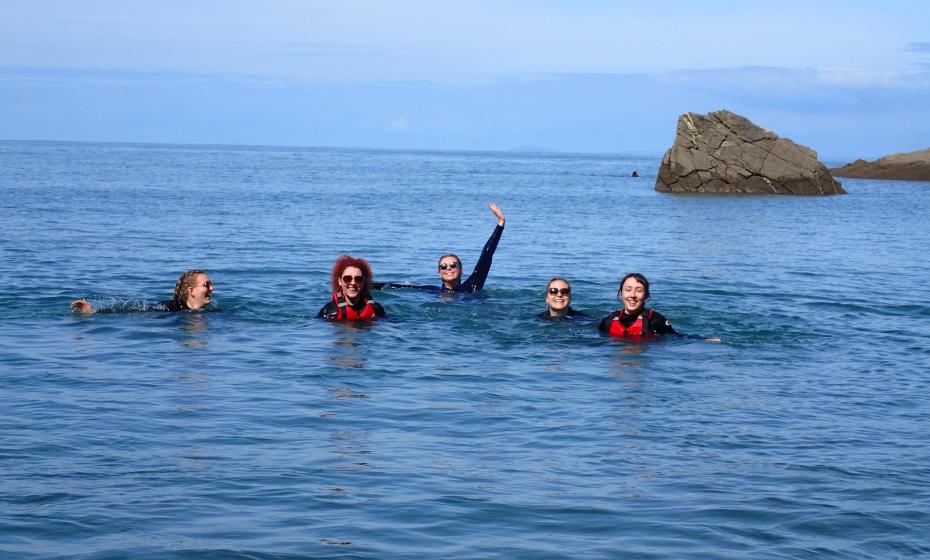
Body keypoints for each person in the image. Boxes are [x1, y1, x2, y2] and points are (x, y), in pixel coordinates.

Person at [375, 203, 506, 294]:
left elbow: (486, 256)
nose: (448, 268)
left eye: (453, 265)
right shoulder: (432, 290)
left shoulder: (472, 286)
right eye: (443, 267)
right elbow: (398, 287)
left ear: (461, 270)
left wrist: (500, 224)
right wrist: (370, 285)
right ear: (439, 273)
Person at [71, 269, 215, 314]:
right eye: (206, 284)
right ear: (192, 291)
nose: (212, 288)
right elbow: (132, 312)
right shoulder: (169, 307)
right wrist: (93, 311)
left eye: (211, 284)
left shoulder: (212, 312)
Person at [597, 272, 677, 337]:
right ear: (621, 294)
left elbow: (677, 339)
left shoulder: (657, 321)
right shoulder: (607, 322)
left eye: (639, 291)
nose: (633, 295)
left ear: (646, 295)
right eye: (628, 290)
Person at [317, 255, 386, 321]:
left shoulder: (376, 310)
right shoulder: (329, 311)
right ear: (340, 281)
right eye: (347, 278)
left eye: (358, 279)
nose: (353, 283)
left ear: (364, 282)